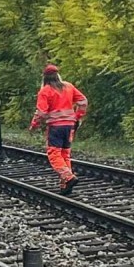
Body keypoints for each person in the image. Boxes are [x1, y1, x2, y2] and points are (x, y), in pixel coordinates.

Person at [29, 64, 88, 194]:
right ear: (58, 75)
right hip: (69, 126)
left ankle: (68, 177)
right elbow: (83, 102)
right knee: (65, 154)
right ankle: (65, 185)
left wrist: (34, 125)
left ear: (45, 78)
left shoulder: (45, 91)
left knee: (54, 154)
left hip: (55, 127)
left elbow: (41, 113)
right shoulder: (69, 86)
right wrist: (77, 116)